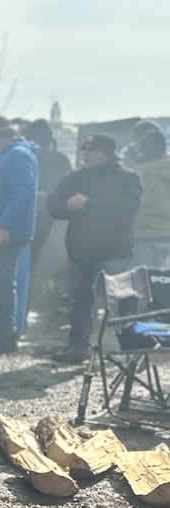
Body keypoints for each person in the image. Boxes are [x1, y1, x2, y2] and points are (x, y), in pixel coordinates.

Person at [48, 135, 143, 363]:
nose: (86, 153)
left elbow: (128, 208)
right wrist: (67, 206)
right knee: (78, 301)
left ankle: (130, 351)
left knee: (121, 304)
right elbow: (53, 204)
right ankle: (78, 346)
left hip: (114, 252)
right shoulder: (75, 178)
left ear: (107, 152)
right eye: (84, 148)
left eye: (92, 149)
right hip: (80, 252)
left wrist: (89, 205)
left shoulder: (127, 178)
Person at [0, 117, 39, 355]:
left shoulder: (18, 155)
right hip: (5, 229)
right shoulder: (11, 154)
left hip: (6, 232)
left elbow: (23, 193)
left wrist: (3, 225)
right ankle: (0, 336)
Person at [21, 119, 72, 322]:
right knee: (31, 267)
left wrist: (48, 196)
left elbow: (65, 187)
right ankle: (27, 309)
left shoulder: (56, 160)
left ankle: (33, 307)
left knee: (32, 267)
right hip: (42, 220)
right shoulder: (53, 159)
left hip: (48, 220)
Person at [130, 126, 170, 270]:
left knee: (143, 283)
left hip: (144, 235)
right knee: (165, 284)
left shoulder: (139, 173)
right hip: (168, 233)